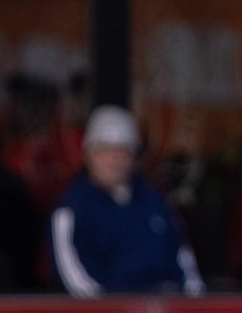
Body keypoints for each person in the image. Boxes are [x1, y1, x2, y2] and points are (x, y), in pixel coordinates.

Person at [50, 105, 205, 297]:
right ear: (89, 154)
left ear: (134, 156)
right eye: (105, 151)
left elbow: (183, 262)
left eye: (122, 151)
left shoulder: (155, 201)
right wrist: (111, 312)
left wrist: (192, 306)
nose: (114, 160)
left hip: (163, 312)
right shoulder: (73, 207)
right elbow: (76, 280)